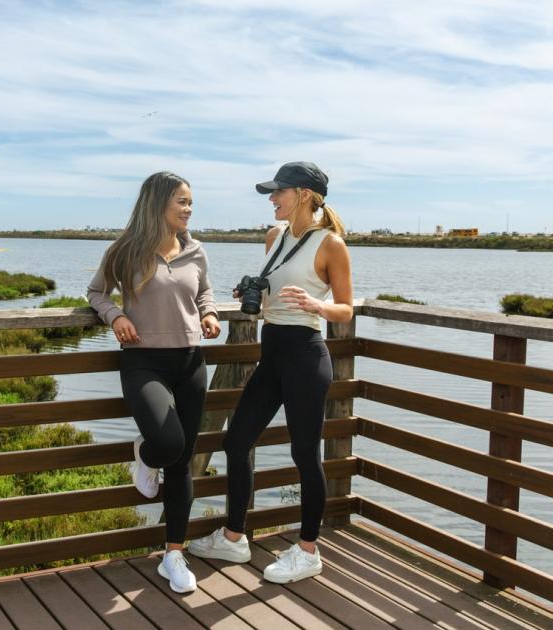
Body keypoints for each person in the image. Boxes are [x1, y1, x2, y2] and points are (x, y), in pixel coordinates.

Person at [188, 161, 353, 583]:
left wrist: (318, 305)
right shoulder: (273, 237)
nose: (271, 199)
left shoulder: (330, 244)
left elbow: (345, 308)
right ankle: (234, 537)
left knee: (304, 454)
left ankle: (308, 550)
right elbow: (269, 303)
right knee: (236, 438)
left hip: (306, 356)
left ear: (302, 194)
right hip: (273, 354)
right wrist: (252, 296)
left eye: (278, 192)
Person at [87, 171, 221, 594]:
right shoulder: (126, 250)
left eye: (190, 202)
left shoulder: (196, 251)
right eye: (182, 201)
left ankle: (173, 554)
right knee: (168, 443)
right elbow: (96, 293)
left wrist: (210, 314)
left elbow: (205, 293)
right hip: (144, 362)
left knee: (182, 461)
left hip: (190, 362)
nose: (189, 209)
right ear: (158, 204)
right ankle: (145, 452)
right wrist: (117, 315)